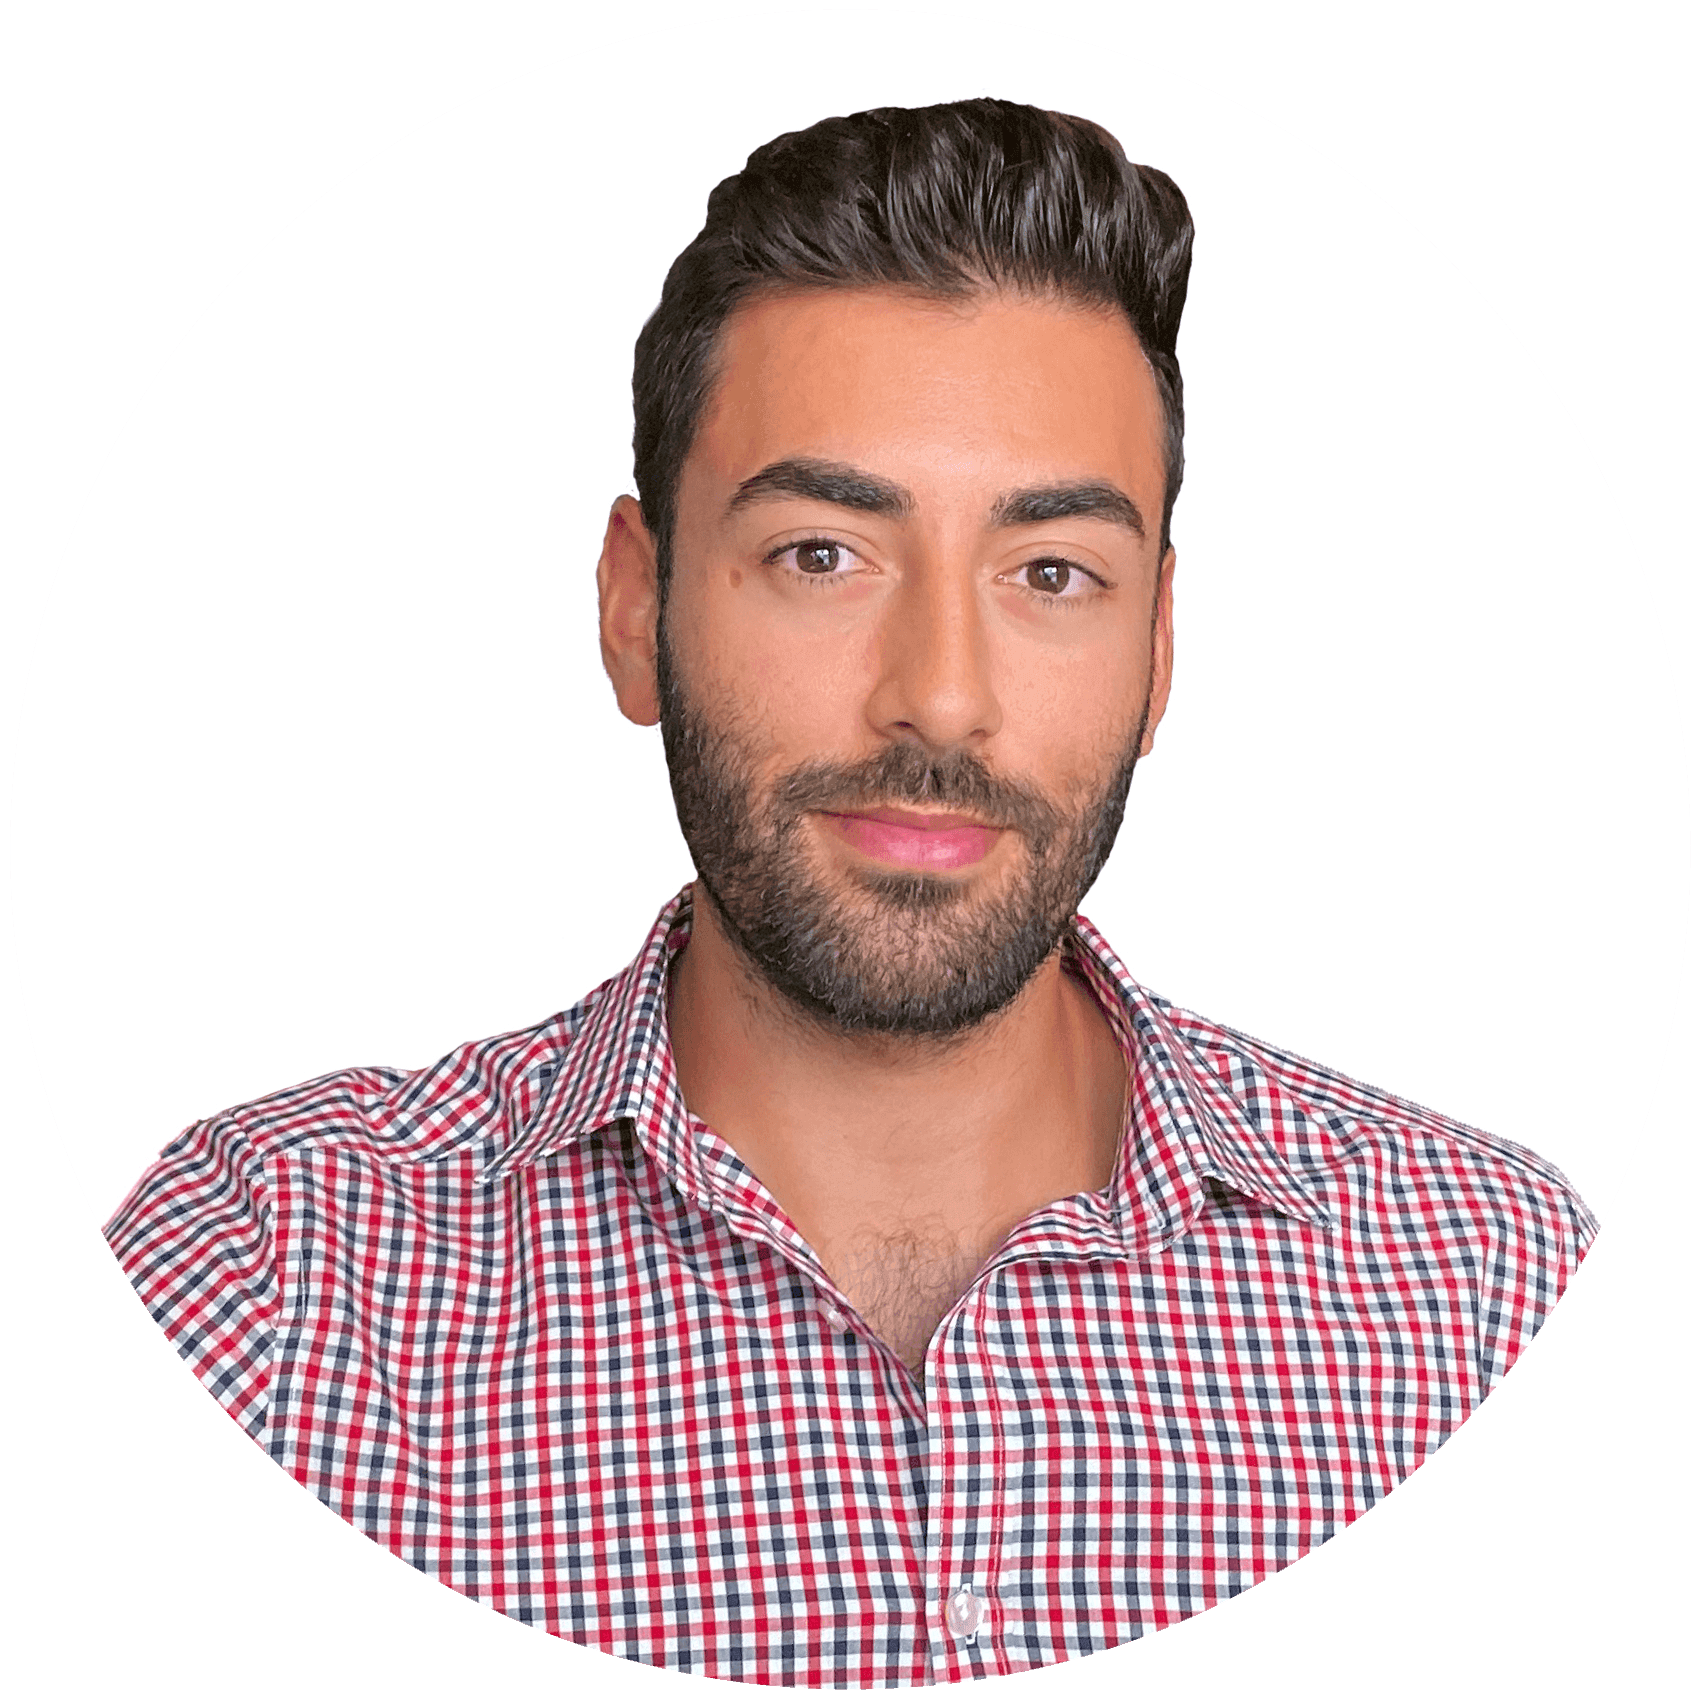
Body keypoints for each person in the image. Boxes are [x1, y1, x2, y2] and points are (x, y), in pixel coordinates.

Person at [106, 100, 1594, 1687]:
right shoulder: (262, 1289)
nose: (939, 701)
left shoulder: (1492, 1300)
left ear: (1157, 647)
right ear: (635, 603)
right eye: (823, 553)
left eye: (1051, 574)